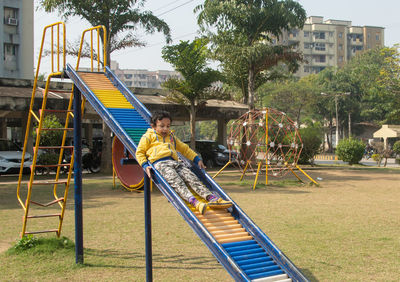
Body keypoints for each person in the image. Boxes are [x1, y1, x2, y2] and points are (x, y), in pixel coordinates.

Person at [136, 111, 232, 215]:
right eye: (162, 126)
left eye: (168, 126)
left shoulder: (171, 137)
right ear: (153, 126)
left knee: (191, 177)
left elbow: (185, 149)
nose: (165, 129)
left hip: (174, 162)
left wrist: (196, 159)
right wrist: (145, 165)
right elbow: (140, 152)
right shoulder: (148, 137)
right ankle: (194, 202)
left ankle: (211, 198)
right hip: (160, 163)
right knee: (176, 181)